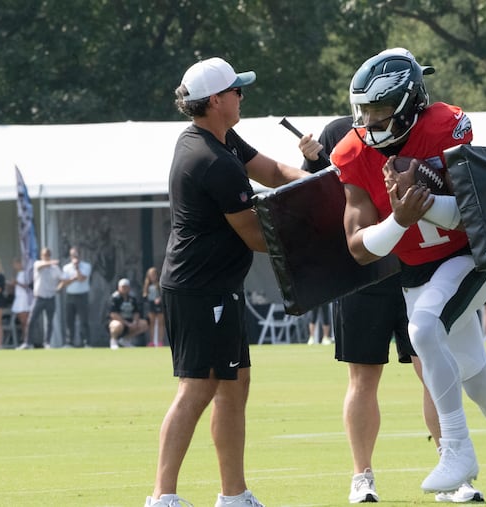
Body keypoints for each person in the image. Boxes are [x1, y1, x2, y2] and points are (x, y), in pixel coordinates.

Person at [331, 48, 486, 504]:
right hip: (418, 275)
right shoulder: (354, 152)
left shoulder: (444, 128)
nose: (369, 121)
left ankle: (456, 449)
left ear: (409, 103)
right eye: (364, 111)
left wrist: (426, 203)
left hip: (469, 261)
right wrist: (398, 219)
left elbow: (478, 213)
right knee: (478, 382)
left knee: (423, 329)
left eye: (378, 110)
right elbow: (358, 247)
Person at [146, 56, 308, 507]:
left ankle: (234, 496)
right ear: (216, 100)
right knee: (197, 388)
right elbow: (257, 236)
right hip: (200, 289)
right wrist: (317, 228)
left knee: (235, 388)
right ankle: (162, 498)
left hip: (219, 286)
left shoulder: (218, 137)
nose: (242, 96)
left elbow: (275, 172)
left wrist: (326, 182)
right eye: (237, 90)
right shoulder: (211, 159)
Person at [299, 113, 484, 503]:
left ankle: (451, 466)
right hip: (365, 275)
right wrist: (314, 161)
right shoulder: (338, 134)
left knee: (430, 369)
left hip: (416, 268)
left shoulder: (424, 132)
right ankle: (361, 475)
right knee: (363, 378)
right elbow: (316, 195)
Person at [20, 247, 63, 349]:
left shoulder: (55, 269)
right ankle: (28, 343)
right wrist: (52, 262)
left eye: (48, 255)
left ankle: (47, 343)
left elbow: (62, 279)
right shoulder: (38, 264)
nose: (46, 257)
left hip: (50, 298)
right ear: (41, 256)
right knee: (32, 320)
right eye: (44, 255)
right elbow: (41, 266)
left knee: (50, 321)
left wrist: (59, 287)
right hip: (39, 298)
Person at [60, 246, 93, 347]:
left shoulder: (86, 266)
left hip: (82, 295)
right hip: (70, 295)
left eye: (76, 255)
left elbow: (82, 278)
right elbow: (64, 282)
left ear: (80, 255)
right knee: (70, 320)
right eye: (72, 255)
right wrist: (73, 278)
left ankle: (86, 342)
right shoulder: (66, 267)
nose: (74, 257)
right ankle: (69, 342)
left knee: (84, 320)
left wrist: (77, 268)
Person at [108, 278, 149, 349]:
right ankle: (113, 341)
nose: (124, 288)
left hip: (130, 322)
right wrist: (126, 323)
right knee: (117, 325)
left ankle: (125, 340)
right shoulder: (114, 298)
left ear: (129, 287)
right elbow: (113, 314)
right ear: (118, 287)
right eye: (122, 287)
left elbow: (136, 312)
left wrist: (135, 322)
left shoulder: (132, 298)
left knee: (144, 324)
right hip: (117, 322)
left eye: (126, 287)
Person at [9, 258, 33, 346]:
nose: (14, 266)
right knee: (22, 322)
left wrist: (17, 283)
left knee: (26, 322)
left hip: (24, 299)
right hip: (18, 299)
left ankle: (28, 340)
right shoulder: (18, 274)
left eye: (16, 264)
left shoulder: (26, 274)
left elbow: (28, 286)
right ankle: (24, 340)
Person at [143, 266, 165, 347]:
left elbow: (163, 294)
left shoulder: (160, 283)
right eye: (150, 275)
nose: (152, 276)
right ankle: (152, 341)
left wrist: (159, 299)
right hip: (151, 305)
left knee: (160, 323)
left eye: (154, 274)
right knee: (151, 323)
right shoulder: (147, 285)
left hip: (160, 305)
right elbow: (145, 295)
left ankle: (160, 342)